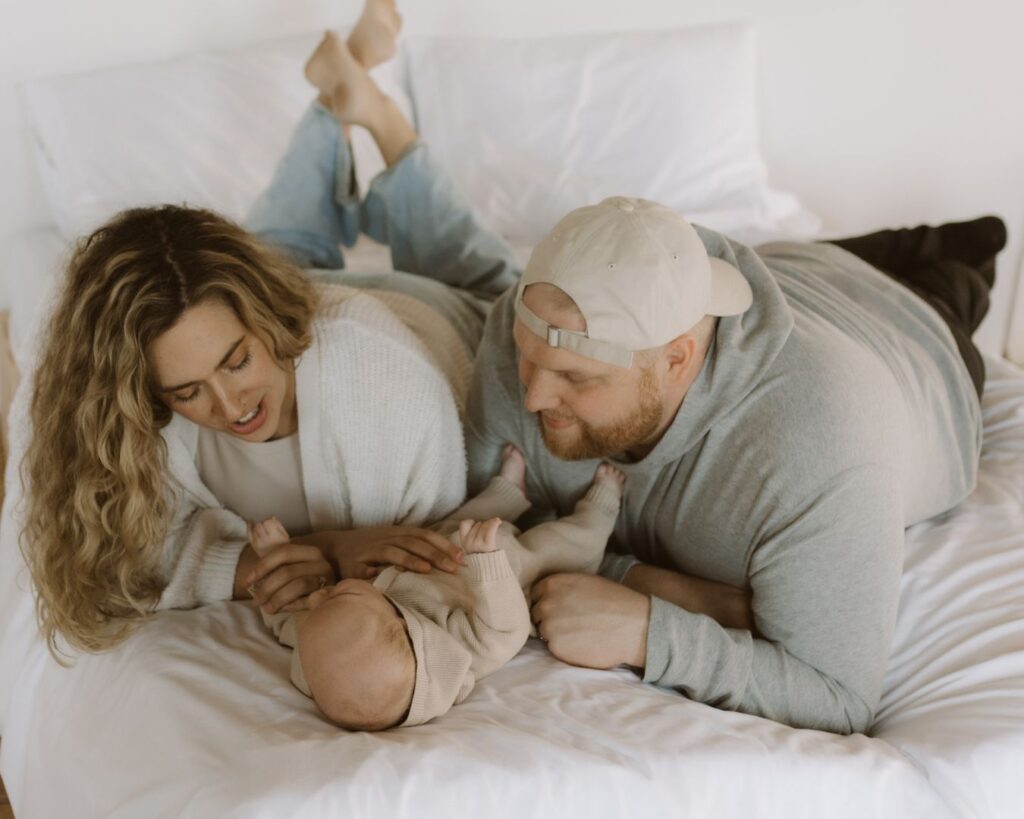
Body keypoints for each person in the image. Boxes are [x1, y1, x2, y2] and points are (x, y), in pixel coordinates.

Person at [18, 3, 521, 656]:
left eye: (234, 363)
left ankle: (383, 121)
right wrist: (329, 548)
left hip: (433, 318)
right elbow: (119, 564)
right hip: (292, 297)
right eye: (187, 391)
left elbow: (432, 557)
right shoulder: (158, 384)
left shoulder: (380, 382)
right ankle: (346, 85)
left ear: (263, 320)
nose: (230, 407)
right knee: (276, 244)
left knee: (489, 278)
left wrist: (322, 560)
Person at [464, 196, 1005, 734]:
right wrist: (653, 581)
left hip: (918, 338)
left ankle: (967, 248)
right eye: (527, 359)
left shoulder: (820, 447)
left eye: (575, 378)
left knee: (962, 267)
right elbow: (488, 531)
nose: (532, 398)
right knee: (827, 259)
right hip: (791, 270)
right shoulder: (533, 326)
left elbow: (839, 696)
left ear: (677, 360)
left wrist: (647, 629)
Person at [247, 446, 625, 729]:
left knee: (458, 519)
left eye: (320, 599)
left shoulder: (317, 651)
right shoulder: (459, 647)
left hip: (441, 548)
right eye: (337, 593)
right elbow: (506, 630)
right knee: (565, 544)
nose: (318, 593)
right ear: (398, 625)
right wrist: (487, 562)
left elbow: (287, 614)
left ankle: (509, 492)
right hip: (510, 568)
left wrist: (278, 556)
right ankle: (601, 510)